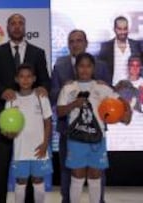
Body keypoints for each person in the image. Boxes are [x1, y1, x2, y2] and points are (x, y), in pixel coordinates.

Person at [0, 13, 50, 203]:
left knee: (29, 168)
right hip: (3, 117)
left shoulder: (38, 52)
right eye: (13, 23)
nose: (16, 26)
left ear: (25, 27)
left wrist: (42, 88)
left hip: (31, 123)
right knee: (1, 165)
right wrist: (2, 90)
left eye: (20, 23)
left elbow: (45, 79)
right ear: (7, 27)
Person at [57, 53, 132, 203]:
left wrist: (127, 111)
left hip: (98, 139)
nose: (85, 69)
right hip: (76, 139)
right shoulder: (68, 87)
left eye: (88, 66)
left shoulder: (101, 87)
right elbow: (59, 111)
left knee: (95, 175)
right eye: (81, 66)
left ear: (93, 68)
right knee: (77, 176)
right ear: (76, 68)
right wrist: (73, 104)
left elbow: (119, 101)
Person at [50, 29, 111, 203]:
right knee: (67, 169)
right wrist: (65, 88)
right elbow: (52, 94)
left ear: (86, 43)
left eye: (79, 40)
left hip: (96, 129)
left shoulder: (101, 65)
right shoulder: (60, 65)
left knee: (97, 171)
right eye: (71, 41)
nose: (75, 44)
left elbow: (109, 92)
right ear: (68, 45)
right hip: (68, 129)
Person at [4, 64, 52, 203]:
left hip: (39, 149)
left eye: (29, 76)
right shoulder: (11, 100)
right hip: (21, 149)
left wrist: (45, 144)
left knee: (38, 181)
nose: (25, 80)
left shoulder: (41, 97)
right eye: (22, 77)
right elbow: (8, 127)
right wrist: (9, 134)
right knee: (20, 182)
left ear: (34, 79)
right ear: (16, 79)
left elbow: (48, 122)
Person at [98, 16, 142, 85]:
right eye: (120, 29)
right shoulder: (106, 47)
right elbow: (100, 69)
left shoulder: (136, 45)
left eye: (125, 29)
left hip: (134, 87)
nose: (123, 32)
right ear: (114, 29)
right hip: (113, 88)